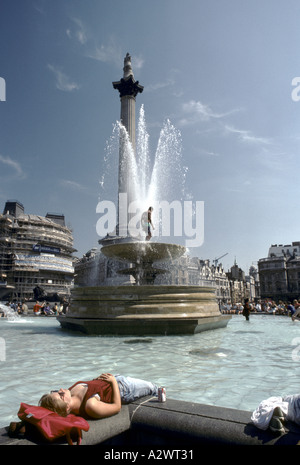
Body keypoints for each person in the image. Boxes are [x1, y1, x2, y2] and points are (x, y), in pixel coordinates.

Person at [39, 373, 158, 420]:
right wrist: (113, 382)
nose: (61, 390)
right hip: (125, 388)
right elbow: (117, 407)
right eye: (60, 394)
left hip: (116, 379)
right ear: (66, 407)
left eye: (55, 390)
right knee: (154, 389)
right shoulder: (90, 406)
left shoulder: (70, 392)